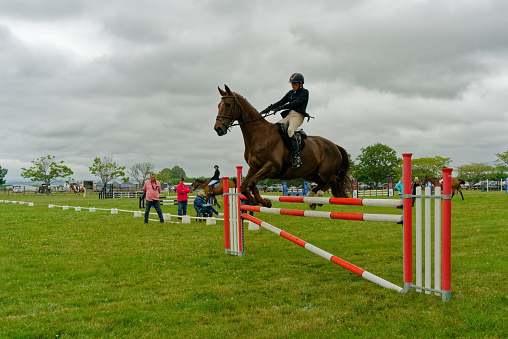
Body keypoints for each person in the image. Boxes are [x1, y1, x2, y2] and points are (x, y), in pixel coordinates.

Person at [260, 73, 310, 168]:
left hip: (298, 115)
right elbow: (281, 101)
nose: (293, 85)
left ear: (301, 83)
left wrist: (282, 107)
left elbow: (296, 103)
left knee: (290, 130)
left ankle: (296, 156)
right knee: (275, 127)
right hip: (289, 115)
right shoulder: (290, 93)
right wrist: (269, 108)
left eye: (295, 83)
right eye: (292, 83)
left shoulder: (305, 92)